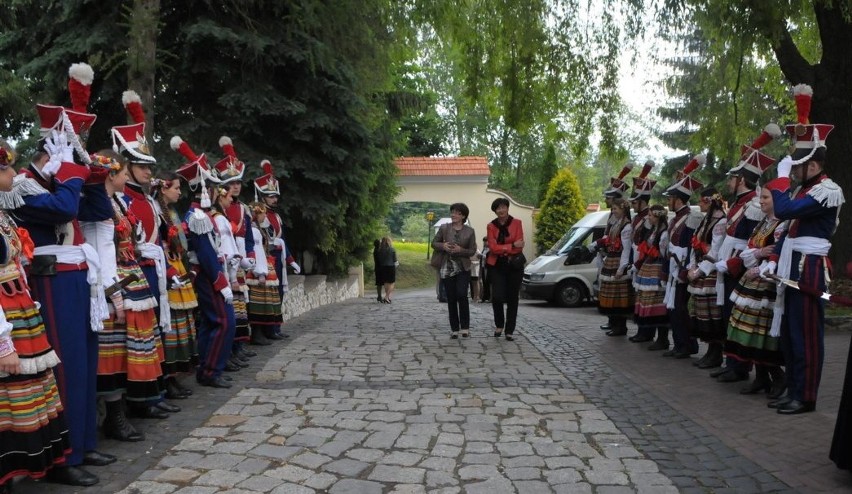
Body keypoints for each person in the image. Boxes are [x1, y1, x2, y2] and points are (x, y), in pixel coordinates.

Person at [14, 67, 116, 486]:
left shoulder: (64, 182)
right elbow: (60, 211)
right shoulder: (22, 185)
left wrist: (91, 179)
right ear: (50, 149)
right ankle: (64, 456)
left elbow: (96, 213)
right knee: (67, 367)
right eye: (72, 150)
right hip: (52, 282)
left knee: (86, 363)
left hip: (79, 279)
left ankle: (86, 441)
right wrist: (73, 175)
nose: (78, 159)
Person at [762, 84, 845, 415]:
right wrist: (773, 257)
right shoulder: (804, 190)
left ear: (814, 164)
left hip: (808, 269)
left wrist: (780, 179)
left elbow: (784, 212)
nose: (794, 170)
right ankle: (794, 388)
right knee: (790, 334)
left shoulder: (828, 190)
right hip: (790, 266)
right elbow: (787, 228)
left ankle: (806, 395)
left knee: (807, 336)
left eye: (798, 166)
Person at [0, 138, 70, 492]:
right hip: (5, 320)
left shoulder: (3, 214)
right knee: (11, 395)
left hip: (21, 311)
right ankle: (12, 475)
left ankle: (35, 467)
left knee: (36, 387)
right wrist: (2, 342)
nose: (13, 172)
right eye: (7, 167)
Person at [85, 150, 168, 431]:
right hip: (114, 283)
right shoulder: (98, 209)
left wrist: (149, 249)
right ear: (111, 174)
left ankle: (129, 407)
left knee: (128, 351)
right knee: (114, 355)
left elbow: (132, 238)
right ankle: (115, 415)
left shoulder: (118, 202)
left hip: (130, 278)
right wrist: (115, 294)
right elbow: (103, 251)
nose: (124, 178)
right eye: (121, 173)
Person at [708, 127, 777, 382]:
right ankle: (731, 362)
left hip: (740, 265)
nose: (728, 182)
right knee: (729, 315)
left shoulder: (751, 205)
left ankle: (739, 367)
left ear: (743, 180)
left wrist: (734, 262)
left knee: (737, 316)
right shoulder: (738, 203)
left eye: (733, 178)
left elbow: (753, 240)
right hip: (730, 262)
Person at [172, 136, 235, 389]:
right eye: (211, 186)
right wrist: (221, 282)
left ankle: (208, 369)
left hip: (209, 274)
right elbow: (207, 254)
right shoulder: (198, 215)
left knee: (213, 323)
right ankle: (210, 370)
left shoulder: (201, 214)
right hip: (208, 276)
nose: (215, 190)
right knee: (222, 322)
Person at [723, 182, 787, 396]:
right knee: (748, 330)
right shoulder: (763, 223)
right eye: (761, 197)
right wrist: (758, 255)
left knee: (761, 333)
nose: (761, 201)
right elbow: (749, 252)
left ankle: (777, 376)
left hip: (768, 284)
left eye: (766, 198)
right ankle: (761, 378)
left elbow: (777, 254)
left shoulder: (782, 225)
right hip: (752, 280)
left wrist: (759, 261)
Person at [152, 170, 198, 399]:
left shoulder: (171, 212)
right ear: (163, 188)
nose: (180, 192)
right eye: (176, 188)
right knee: (171, 328)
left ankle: (176, 376)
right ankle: (167, 379)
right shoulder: (156, 211)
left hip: (178, 266)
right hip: (167, 270)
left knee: (183, 326)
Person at [659, 156, 705, 356]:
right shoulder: (676, 217)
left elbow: (691, 246)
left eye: (669, 198)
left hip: (683, 269)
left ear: (678, 199)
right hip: (673, 268)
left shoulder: (692, 217)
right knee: (673, 309)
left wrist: (685, 269)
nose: (667, 202)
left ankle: (687, 345)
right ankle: (679, 344)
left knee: (680, 309)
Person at [253, 159, 299, 339]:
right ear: (263, 197)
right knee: (266, 296)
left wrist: (291, 260)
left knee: (277, 293)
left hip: (277, 260)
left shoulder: (277, 216)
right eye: (271, 196)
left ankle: (275, 328)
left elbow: (282, 240)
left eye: (275, 196)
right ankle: (266, 330)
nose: (274, 199)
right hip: (265, 258)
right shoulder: (258, 214)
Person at [685, 187, 727, 368]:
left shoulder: (720, 222)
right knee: (701, 314)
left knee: (712, 316)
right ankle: (710, 351)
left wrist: (699, 271)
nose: (699, 204)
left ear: (709, 201)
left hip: (710, 273)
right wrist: (691, 267)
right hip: (700, 271)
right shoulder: (705, 221)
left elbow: (716, 251)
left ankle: (716, 353)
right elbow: (695, 245)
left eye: (702, 201)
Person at [597, 163, 634, 331]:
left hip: (618, 260)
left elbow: (625, 246)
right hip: (611, 258)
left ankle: (619, 325)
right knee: (610, 292)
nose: (606, 201)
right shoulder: (613, 218)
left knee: (619, 295)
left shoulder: (624, 222)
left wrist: (622, 266)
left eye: (609, 199)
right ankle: (613, 321)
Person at [433, 203, 477, 338]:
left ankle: (465, 327)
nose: (453, 215)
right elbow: (434, 243)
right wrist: (443, 245)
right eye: (452, 212)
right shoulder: (444, 228)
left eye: (457, 213)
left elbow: (472, 250)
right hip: (447, 266)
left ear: (463, 216)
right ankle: (454, 328)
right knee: (451, 298)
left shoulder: (470, 231)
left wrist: (461, 250)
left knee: (462, 294)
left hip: (463, 267)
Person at [486, 198, 524, 341]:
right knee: (497, 297)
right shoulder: (491, 226)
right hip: (497, 265)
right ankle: (499, 324)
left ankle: (509, 330)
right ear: (495, 211)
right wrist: (511, 245)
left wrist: (505, 247)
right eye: (498, 208)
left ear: (507, 208)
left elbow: (520, 247)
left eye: (503, 207)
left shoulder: (517, 223)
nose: (501, 210)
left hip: (514, 265)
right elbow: (493, 248)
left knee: (513, 298)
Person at [626, 166, 658, 343]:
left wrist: (638, 262)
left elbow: (646, 242)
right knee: (639, 297)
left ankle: (646, 332)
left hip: (644, 259)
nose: (632, 204)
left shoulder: (648, 218)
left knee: (646, 298)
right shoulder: (638, 217)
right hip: (636, 257)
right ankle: (641, 329)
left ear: (642, 202)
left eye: (634, 202)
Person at [632, 205, 670, 349]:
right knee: (648, 301)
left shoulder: (664, 233)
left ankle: (662, 338)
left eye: (651, 215)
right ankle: (648, 333)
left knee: (658, 303)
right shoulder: (653, 230)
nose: (648, 217)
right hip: (648, 267)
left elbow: (663, 254)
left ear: (657, 216)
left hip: (657, 268)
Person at [245, 202, 284, 337]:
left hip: (264, 266)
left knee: (266, 301)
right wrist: (259, 271)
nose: (265, 216)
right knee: (259, 303)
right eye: (262, 213)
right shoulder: (254, 230)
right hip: (258, 269)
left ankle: (266, 331)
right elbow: (257, 251)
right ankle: (258, 333)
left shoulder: (258, 229)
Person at [375, 237, 397, 303]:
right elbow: (395, 260)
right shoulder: (392, 249)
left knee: (386, 283)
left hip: (383, 267)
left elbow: (379, 260)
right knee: (392, 283)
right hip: (391, 267)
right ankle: (386, 297)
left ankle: (387, 298)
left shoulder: (379, 250)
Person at [479, 236, 491, 303]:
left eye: (486, 241)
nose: (485, 243)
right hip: (483, 266)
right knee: (484, 281)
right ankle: (485, 297)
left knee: (487, 282)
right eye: (484, 241)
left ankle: (488, 297)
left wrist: (482, 256)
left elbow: (489, 256)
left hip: (487, 267)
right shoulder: (484, 249)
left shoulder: (490, 249)